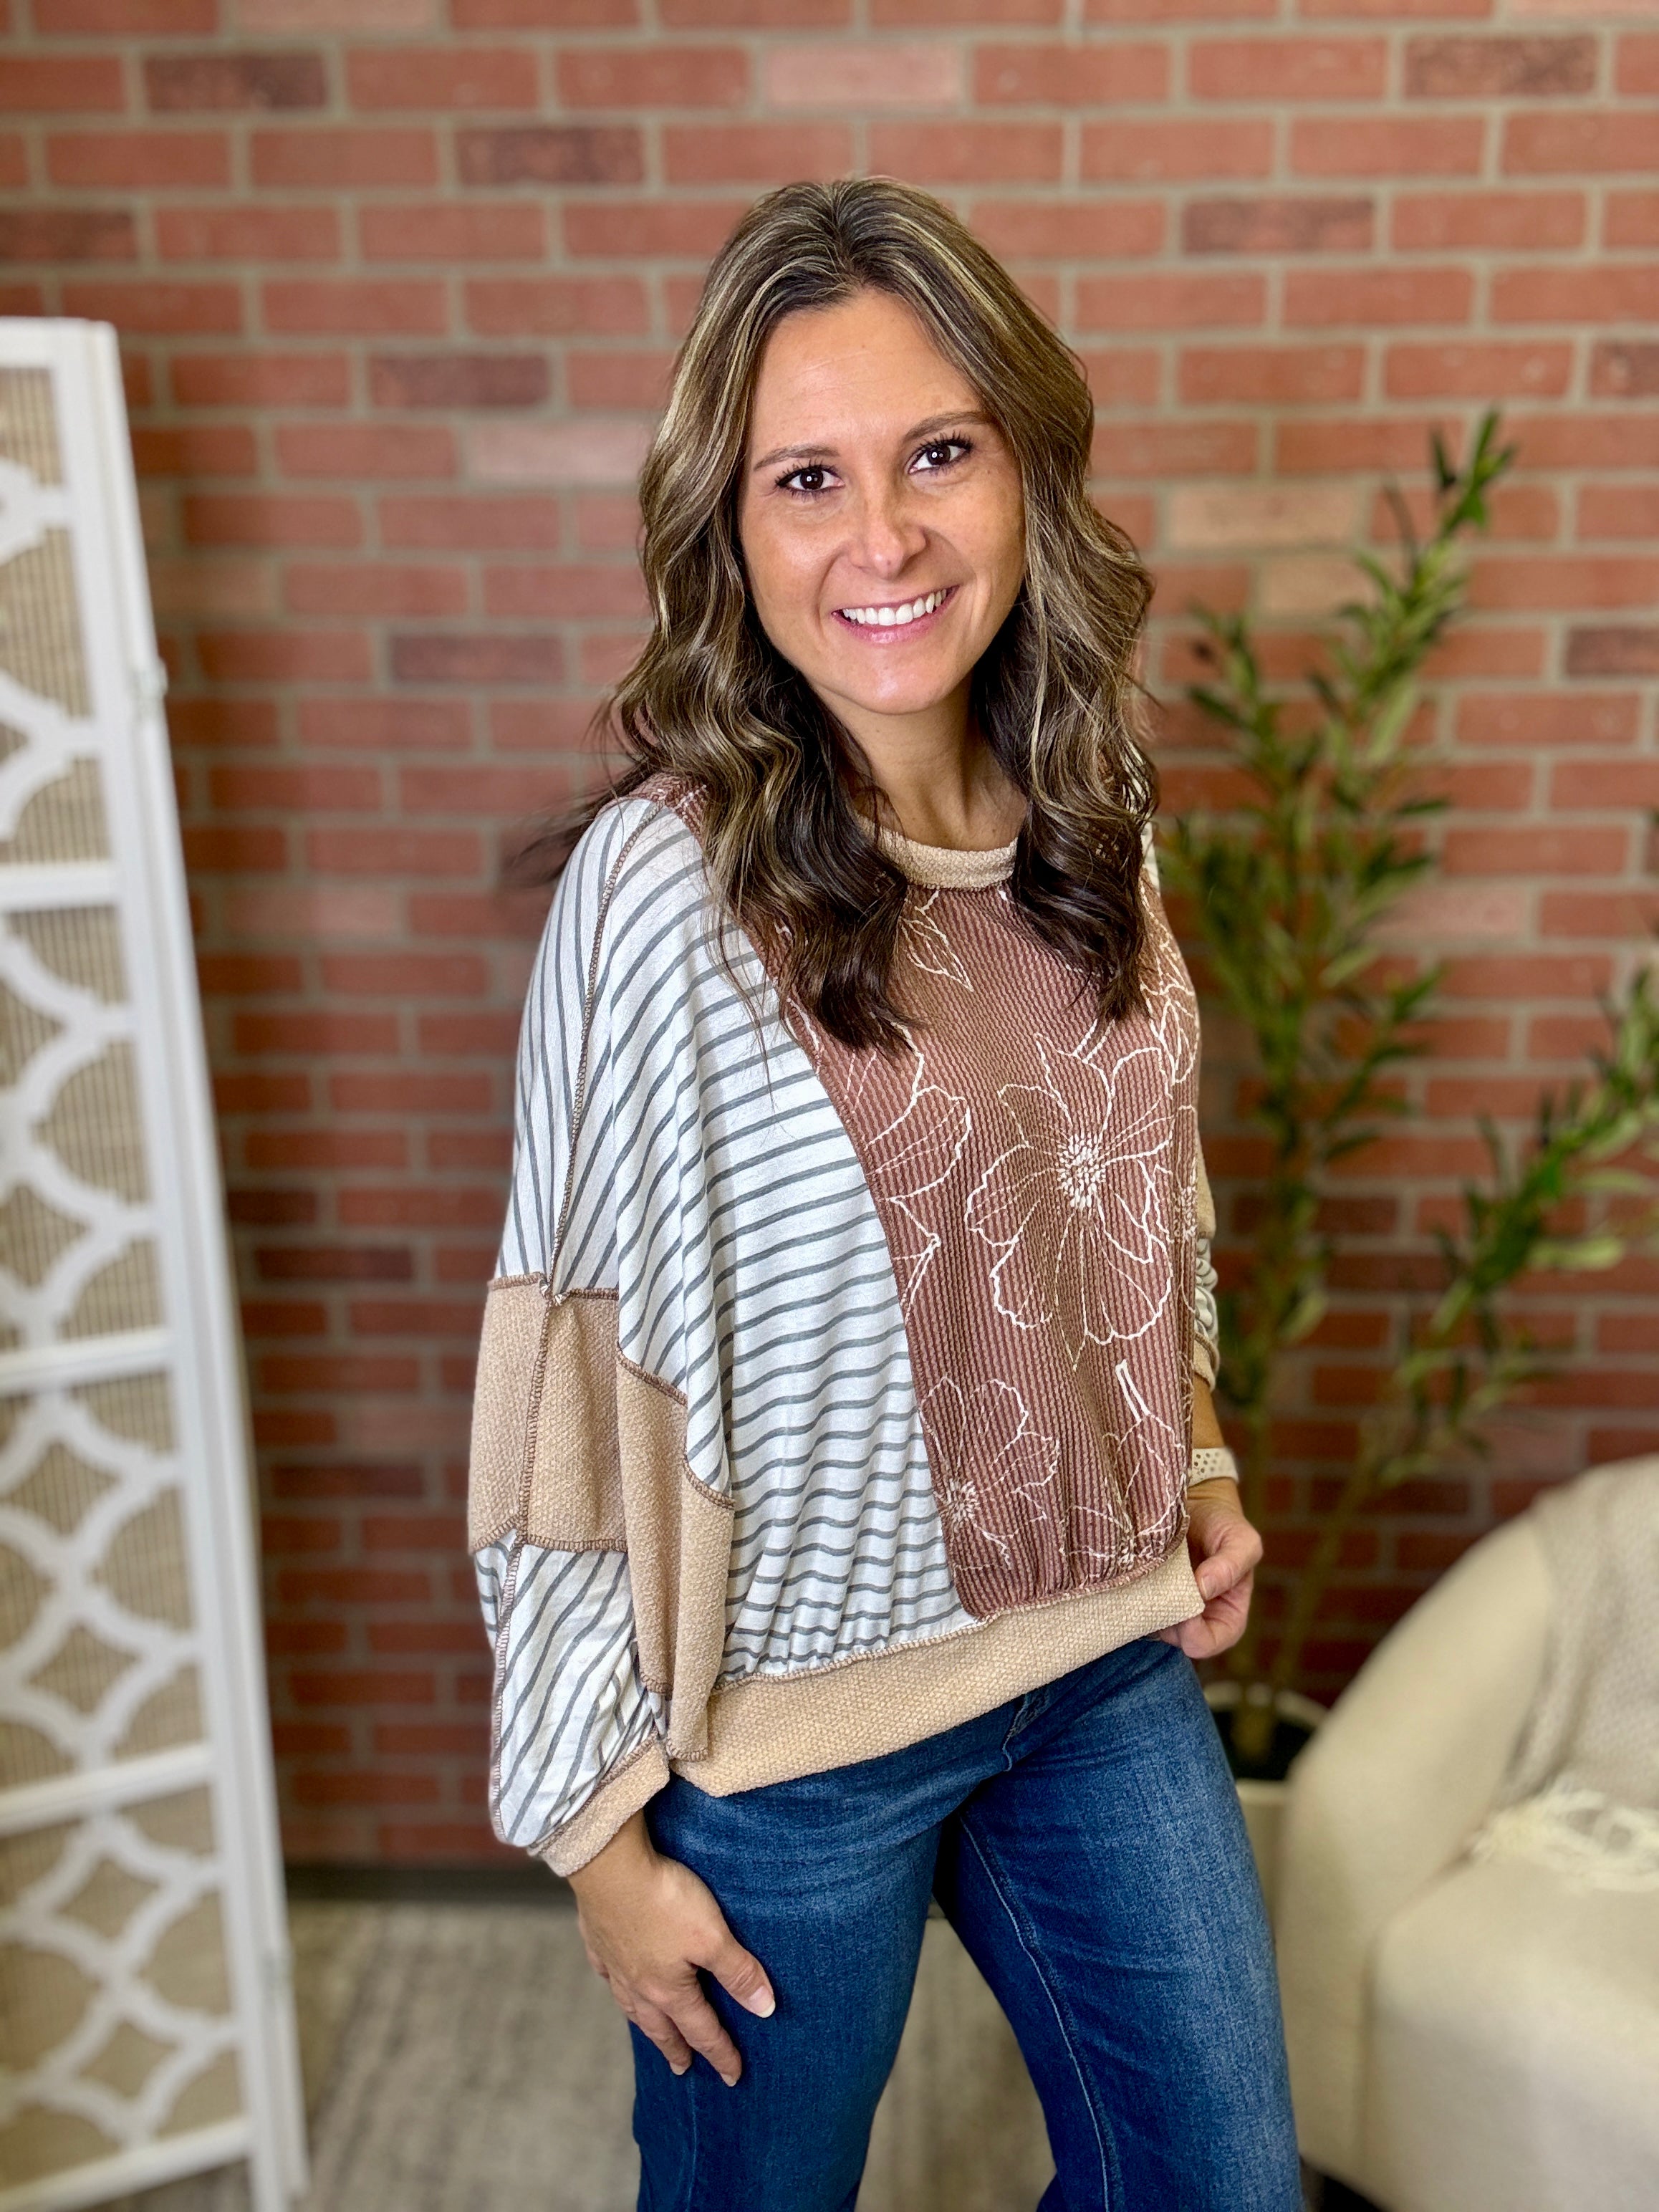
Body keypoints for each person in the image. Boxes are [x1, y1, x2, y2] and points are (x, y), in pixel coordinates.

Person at [467, 176, 1300, 2212]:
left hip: (1099, 1659)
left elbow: (1139, 1198)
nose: (885, 538)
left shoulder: (1092, 804)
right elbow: (559, 1361)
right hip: (791, 1747)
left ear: (1026, 469)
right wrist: (591, 1833)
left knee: (1218, 2186)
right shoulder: (663, 890)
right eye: (807, 480)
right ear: (730, 534)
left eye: (938, 453)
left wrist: (1190, 1447)